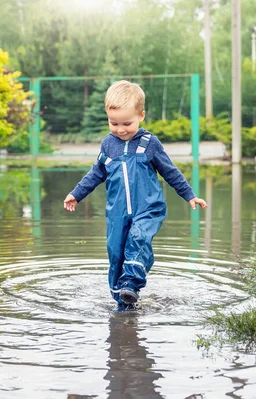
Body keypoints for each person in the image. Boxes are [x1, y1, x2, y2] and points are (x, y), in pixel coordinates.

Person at [63, 80, 207, 309]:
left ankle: (131, 282)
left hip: (148, 209)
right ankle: (122, 301)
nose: (120, 129)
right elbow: (96, 173)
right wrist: (76, 194)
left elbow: (170, 171)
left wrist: (190, 195)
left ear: (141, 116)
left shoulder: (150, 144)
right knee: (116, 252)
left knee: (138, 238)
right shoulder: (108, 145)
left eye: (127, 123)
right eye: (114, 123)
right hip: (117, 213)